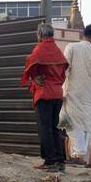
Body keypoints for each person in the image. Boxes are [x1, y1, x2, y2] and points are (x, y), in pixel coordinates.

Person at [22, 22, 69, 172]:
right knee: (56, 127)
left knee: (45, 128)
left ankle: (49, 161)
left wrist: (35, 78)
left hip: (44, 93)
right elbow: (63, 72)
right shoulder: (57, 50)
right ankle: (60, 161)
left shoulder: (40, 49)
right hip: (57, 93)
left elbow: (29, 61)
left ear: (40, 35)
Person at [63, 23, 91, 167]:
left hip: (71, 93)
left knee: (74, 125)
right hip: (88, 96)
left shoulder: (71, 48)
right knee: (88, 126)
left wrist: (62, 91)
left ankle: (79, 156)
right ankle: (89, 159)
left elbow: (64, 71)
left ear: (84, 34)